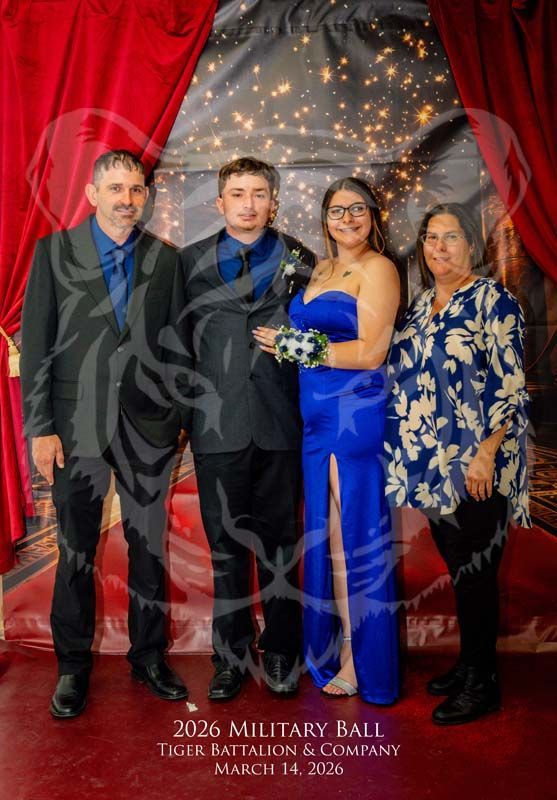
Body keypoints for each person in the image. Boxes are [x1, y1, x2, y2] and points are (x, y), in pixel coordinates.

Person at [20, 149, 188, 718]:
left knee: (148, 550)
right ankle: (72, 668)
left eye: (136, 189)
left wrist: (176, 419)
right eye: (115, 188)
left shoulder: (164, 260)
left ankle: (148, 657)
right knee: (76, 553)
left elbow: (176, 347)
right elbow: (38, 345)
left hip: (148, 430)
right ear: (92, 194)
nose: (126, 199)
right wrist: (39, 429)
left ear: (145, 196)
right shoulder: (53, 252)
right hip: (74, 429)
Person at [254, 177, 400, 703]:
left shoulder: (379, 268)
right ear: (325, 219)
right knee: (333, 539)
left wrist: (296, 345)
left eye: (357, 209)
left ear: (373, 214)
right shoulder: (319, 267)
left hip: (351, 415)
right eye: (337, 211)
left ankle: (366, 663)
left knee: (355, 539)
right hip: (313, 419)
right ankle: (343, 651)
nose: (347, 219)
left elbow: (371, 352)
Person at [385, 202, 530, 725]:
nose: (438, 248)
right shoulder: (423, 305)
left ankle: (482, 683)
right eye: (430, 238)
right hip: (435, 463)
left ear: (472, 244)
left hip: (479, 463)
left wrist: (486, 452)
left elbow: (511, 385)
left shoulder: (495, 301)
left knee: (476, 571)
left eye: (450, 238)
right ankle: (469, 664)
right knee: (460, 567)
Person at [179, 156, 316, 701]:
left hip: (282, 424)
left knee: (281, 547)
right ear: (220, 202)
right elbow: (178, 346)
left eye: (259, 192)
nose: (249, 203)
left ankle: (282, 650)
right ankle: (231, 656)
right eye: (238, 193)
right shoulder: (188, 264)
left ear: (273, 201)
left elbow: (322, 334)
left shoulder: (302, 259)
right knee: (225, 550)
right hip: (218, 431)